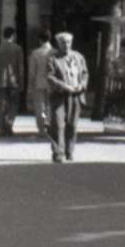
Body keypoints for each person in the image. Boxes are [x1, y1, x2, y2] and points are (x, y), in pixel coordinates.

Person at [45, 31, 89, 163]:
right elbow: (50, 76)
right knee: (57, 125)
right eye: (63, 43)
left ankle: (69, 151)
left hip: (75, 95)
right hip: (59, 95)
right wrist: (64, 86)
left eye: (69, 42)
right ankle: (58, 153)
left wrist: (82, 85)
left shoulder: (78, 57)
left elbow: (85, 73)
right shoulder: (52, 58)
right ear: (58, 44)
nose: (67, 45)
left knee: (72, 124)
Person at [0, 26, 25, 137]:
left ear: (3, 35)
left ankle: (2, 129)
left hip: (0, 81)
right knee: (14, 104)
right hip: (14, 81)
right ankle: (9, 122)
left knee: (1, 106)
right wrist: (21, 82)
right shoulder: (18, 49)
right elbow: (20, 67)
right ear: (13, 36)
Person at [27, 29, 55, 138]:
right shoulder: (55, 52)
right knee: (51, 106)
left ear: (40, 40)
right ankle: (50, 125)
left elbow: (32, 71)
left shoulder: (35, 53)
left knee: (41, 107)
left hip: (39, 83)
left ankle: (42, 128)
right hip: (53, 83)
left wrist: (30, 85)